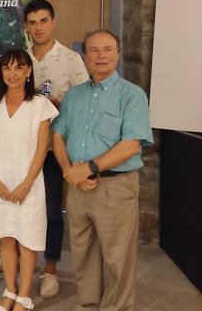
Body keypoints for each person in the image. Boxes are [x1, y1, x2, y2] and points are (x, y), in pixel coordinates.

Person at [52, 30, 153, 311]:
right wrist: (70, 171)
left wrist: (89, 168)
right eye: (94, 50)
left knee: (117, 256)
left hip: (115, 187)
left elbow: (131, 145)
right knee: (83, 251)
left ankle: (117, 308)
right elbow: (58, 135)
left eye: (107, 49)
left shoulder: (132, 95)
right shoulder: (74, 96)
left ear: (118, 54)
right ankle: (88, 303)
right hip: (76, 186)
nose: (101, 55)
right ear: (84, 56)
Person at [0, 49, 58, 311]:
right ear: (1, 73)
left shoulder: (40, 105)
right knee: (6, 238)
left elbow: (42, 148)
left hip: (29, 184)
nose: (12, 73)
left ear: (28, 71)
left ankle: (25, 295)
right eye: (7, 68)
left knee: (27, 240)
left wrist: (25, 185)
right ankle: (10, 290)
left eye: (18, 68)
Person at [23, 0, 89, 299]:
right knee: (20, 204)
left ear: (53, 22)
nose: (38, 27)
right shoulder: (21, 59)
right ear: (26, 26)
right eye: (33, 22)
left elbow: (84, 104)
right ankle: (19, 256)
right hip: (22, 147)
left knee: (52, 208)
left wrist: (58, 105)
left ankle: (50, 266)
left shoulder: (71, 59)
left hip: (54, 148)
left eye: (43, 21)